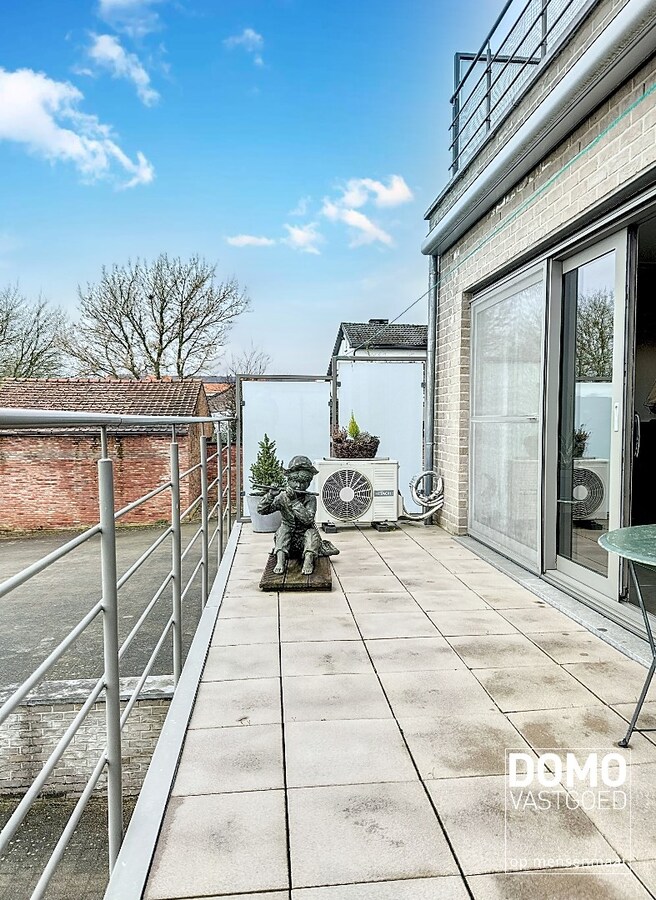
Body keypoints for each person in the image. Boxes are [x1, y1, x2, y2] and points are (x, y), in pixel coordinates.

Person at [257, 455, 339, 575]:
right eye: (295, 482)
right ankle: (280, 561)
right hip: (287, 538)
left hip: (304, 536)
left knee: (311, 533)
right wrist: (270, 495)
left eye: (303, 482)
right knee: (283, 531)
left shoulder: (310, 499)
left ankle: (308, 560)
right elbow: (262, 510)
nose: (298, 486)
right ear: (288, 480)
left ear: (308, 483)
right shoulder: (282, 497)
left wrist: (295, 501)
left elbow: (307, 520)